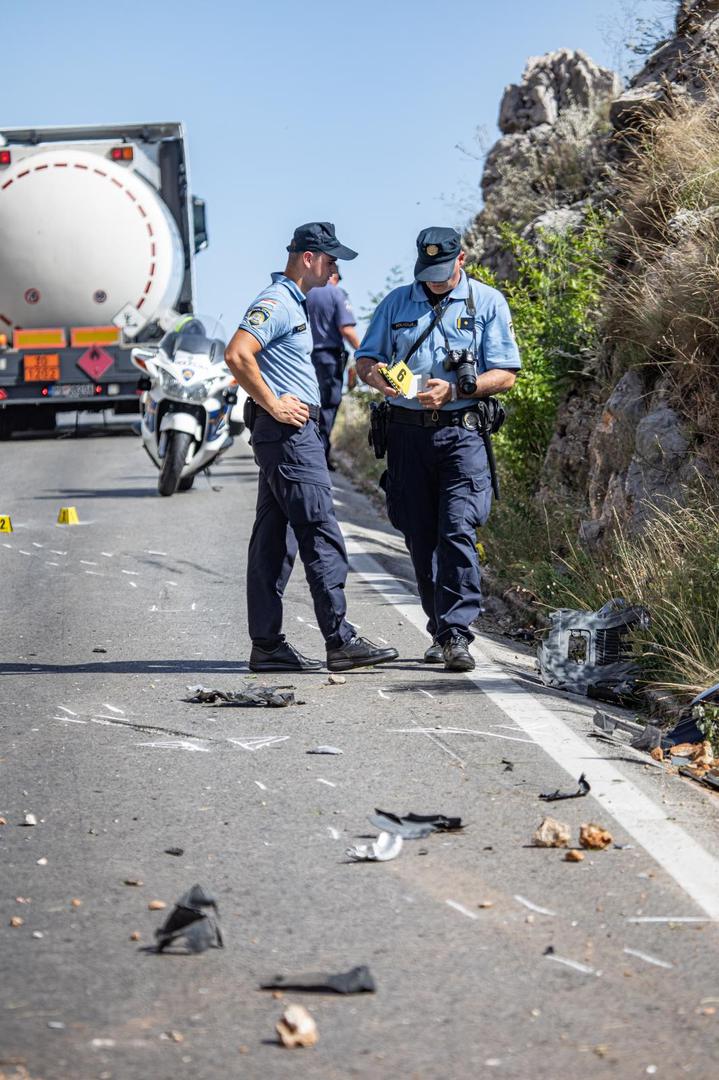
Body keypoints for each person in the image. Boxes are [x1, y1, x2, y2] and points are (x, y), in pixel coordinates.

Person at [224, 222, 398, 674]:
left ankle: (267, 645)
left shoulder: (294, 302)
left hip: (287, 435)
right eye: (331, 259)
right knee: (320, 529)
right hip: (289, 435)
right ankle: (340, 641)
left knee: (272, 540)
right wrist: (275, 405)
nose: (335, 266)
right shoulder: (277, 302)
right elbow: (237, 354)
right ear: (308, 258)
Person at [355, 227, 521, 673]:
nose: (434, 280)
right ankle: (439, 629)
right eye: (427, 273)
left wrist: (456, 390)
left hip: (461, 434)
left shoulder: (487, 303)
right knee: (420, 536)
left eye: (442, 273)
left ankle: (457, 634)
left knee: (457, 529)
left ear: (461, 260)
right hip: (407, 436)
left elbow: (505, 373)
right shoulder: (395, 303)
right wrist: (385, 380)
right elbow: (365, 362)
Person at [306, 269, 360, 468]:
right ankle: (320, 456)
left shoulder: (305, 292)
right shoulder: (336, 293)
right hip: (329, 358)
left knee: (308, 404)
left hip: (306, 357)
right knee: (328, 407)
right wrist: (365, 353)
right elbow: (346, 329)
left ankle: (307, 452)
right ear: (334, 276)